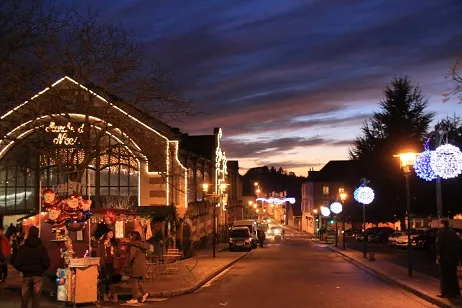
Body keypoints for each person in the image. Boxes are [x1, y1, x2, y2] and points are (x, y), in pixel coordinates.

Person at [14, 226, 50, 308]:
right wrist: (42, 269)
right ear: (37, 234)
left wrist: (22, 269)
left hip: (26, 275)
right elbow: (46, 262)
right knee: (36, 299)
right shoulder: (41, 248)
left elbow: (16, 262)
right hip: (38, 275)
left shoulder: (23, 247)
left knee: (24, 299)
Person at [436, 219, 461, 298]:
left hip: (445, 257)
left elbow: (439, 244)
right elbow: (458, 244)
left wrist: (438, 255)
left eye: (440, 223)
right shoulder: (453, 232)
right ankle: (455, 292)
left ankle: (445, 292)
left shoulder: (441, 232)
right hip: (454, 257)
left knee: (444, 275)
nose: (439, 225)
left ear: (443, 224)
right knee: (453, 275)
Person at [123, 231, 150, 304]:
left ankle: (135, 298)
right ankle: (144, 293)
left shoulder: (133, 245)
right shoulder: (142, 245)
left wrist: (127, 264)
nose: (130, 237)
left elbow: (131, 256)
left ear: (133, 237)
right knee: (138, 280)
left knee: (133, 281)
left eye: (131, 236)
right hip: (141, 265)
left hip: (135, 265)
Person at [98, 230, 119, 303]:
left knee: (108, 279)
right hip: (104, 263)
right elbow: (99, 253)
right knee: (107, 278)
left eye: (112, 233)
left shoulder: (114, 243)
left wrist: (115, 249)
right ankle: (112, 294)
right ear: (106, 234)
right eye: (110, 233)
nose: (111, 234)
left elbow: (118, 253)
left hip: (112, 263)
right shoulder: (101, 243)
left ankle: (107, 295)